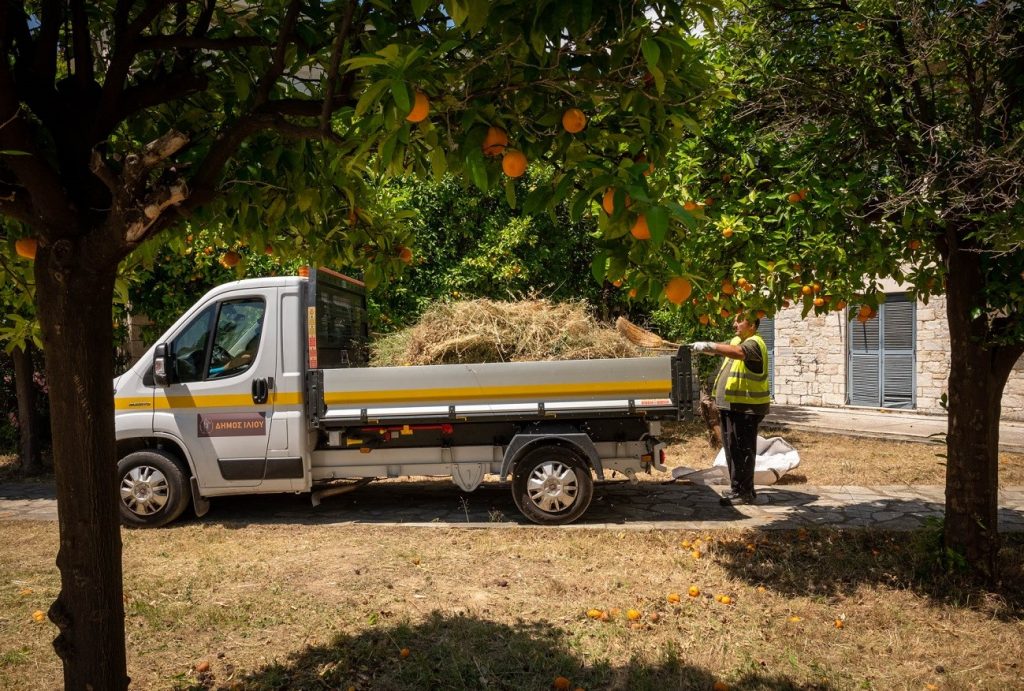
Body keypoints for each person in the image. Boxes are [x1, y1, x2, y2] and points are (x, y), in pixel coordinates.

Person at [692, 313, 771, 506]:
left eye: (739, 321)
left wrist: (710, 346)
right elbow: (728, 348)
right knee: (732, 448)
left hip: (746, 408)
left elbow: (737, 352)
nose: (734, 323)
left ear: (752, 324)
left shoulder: (754, 343)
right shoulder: (738, 339)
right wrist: (708, 348)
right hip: (731, 406)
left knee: (743, 450)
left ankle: (745, 493)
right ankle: (738, 488)